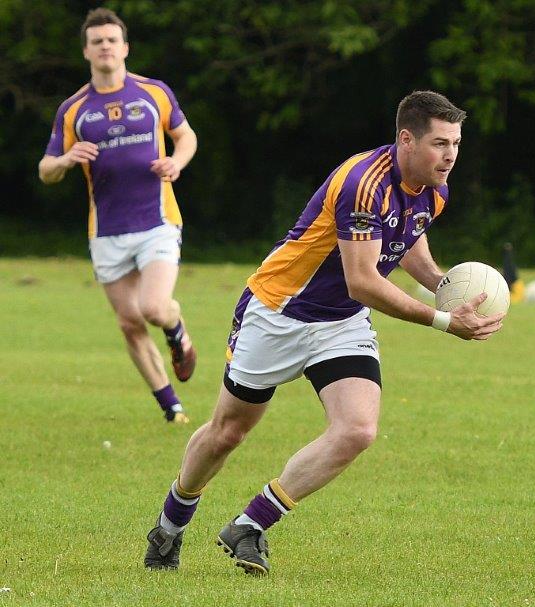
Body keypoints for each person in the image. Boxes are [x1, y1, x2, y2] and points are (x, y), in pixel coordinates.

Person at [143, 91, 504, 575]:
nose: (451, 154)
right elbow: (364, 279)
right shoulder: (363, 184)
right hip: (278, 311)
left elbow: (408, 233)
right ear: (406, 139)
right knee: (228, 432)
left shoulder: (435, 187)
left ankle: (250, 526)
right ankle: (169, 529)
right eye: (440, 143)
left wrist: (441, 284)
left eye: (456, 143)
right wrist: (442, 320)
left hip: (341, 321)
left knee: (357, 429)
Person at [38, 8, 198, 423]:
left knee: (153, 307)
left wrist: (177, 162)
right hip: (106, 230)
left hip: (158, 222)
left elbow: (185, 135)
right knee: (129, 324)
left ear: (125, 48)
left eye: (112, 40)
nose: (105, 47)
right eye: (97, 41)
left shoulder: (153, 92)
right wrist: (67, 159)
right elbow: (45, 169)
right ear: (87, 52)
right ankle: (171, 408)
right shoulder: (73, 110)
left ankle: (176, 329)